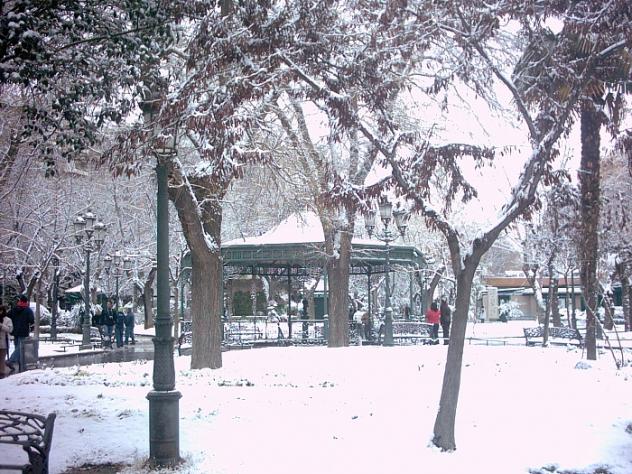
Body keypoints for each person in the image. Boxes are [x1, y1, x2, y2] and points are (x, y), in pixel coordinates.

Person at [8, 295, 34, 372]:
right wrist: (32, 327)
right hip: (23, 331)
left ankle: (20, 364)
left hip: (15, 331)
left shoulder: (14, 309)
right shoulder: (28, 310)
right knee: (20, 348)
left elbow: (8, 316)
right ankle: (11, 360)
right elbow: (31, 320)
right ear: (26, 302)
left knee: (17, 347)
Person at [0, 306, 13, 378]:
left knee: (2, 358)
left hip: (3, 342)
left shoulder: (8, 320)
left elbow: (10, 329)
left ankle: (2, 373)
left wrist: (1, 326)